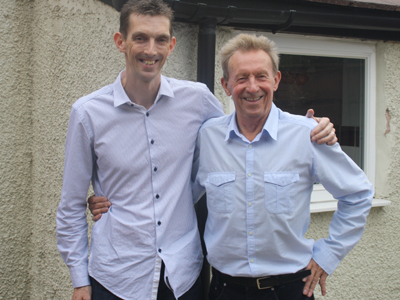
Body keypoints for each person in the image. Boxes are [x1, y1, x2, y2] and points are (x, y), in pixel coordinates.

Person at [57, 0, 336, 299]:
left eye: (160, 39)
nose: (151, 49)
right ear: (120, 42)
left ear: (171, 45)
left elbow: (243, 135)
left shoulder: (197, 100)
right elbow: (70, 206)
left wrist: (305, 128)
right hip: (116, 277)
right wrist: (79, 280)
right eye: (140, 37)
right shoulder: (88, 113)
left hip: (182, 276)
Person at [189, 34, 373, 300]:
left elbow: (358, 194)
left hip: (290, 289)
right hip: (224, 290)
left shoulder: (308, 135)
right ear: (226, 85)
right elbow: (178, 197)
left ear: (275, 80)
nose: (252, 87)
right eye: (241, 78)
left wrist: (329, 255)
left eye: (261, 76)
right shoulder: (207, 137)